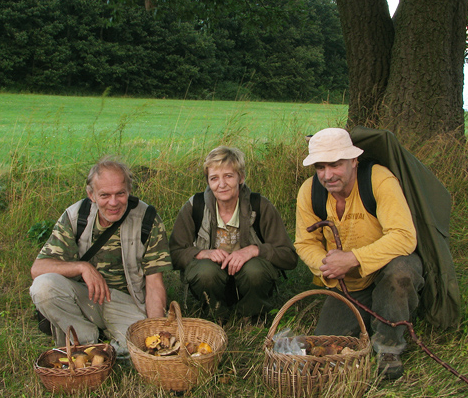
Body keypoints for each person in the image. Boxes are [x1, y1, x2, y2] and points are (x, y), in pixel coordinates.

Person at [294, 128, 424, 379]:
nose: (327, 175)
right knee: (324, 340)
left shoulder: (378, 180)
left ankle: (389, 346)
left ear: (354, 161)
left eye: (335, 165)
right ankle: (378, 308)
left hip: (386, 266)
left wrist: (353, 259)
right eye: (320, 167)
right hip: (348, 282)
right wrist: (327, 265)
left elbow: (404, 236)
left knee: (400, 275)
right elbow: (304, 242)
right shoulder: (309, 192)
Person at [30, 157, 171, 356]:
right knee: (43, 286)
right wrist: (82, 267)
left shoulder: (147, 219)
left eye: (120, 194)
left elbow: (155, 283)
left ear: (129, 191)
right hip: (84, 296)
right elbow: (38, 269)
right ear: (91, 195)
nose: (113, 203)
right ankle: (87, 341)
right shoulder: (76, 216)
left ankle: (111, 345)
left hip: (127, 302)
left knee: (144, 348)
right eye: (105, 195)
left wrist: (154, 330)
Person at [169, 146, 298, 321]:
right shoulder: (195, 206)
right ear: (208, 182)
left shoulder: (260, 206)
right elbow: (173, 254)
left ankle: (253, 316)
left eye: (228, 176)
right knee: (206, 271)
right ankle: (215, 317)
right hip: (212, 281)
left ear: (241, 177)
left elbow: (289, 257)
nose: (221, 184)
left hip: (249, 281)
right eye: (214, 178)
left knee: (255, 270)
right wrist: (201, 253)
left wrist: (255, 250)